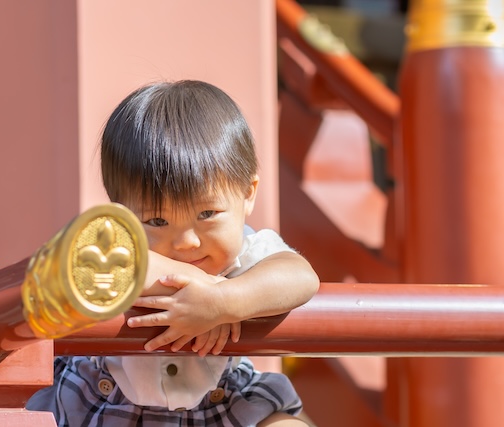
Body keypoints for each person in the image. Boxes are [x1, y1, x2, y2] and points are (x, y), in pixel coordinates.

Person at [27, 80, 320, 426]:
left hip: (218, 402)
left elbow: (301, 277)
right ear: (121, 213)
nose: (186, 242)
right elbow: (104, 262)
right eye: (157, 220)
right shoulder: (117, 249)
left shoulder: (248, 251)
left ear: (248, 193)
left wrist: (223, 301)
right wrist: (198, 285)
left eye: (207, 215)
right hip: (106, 398)